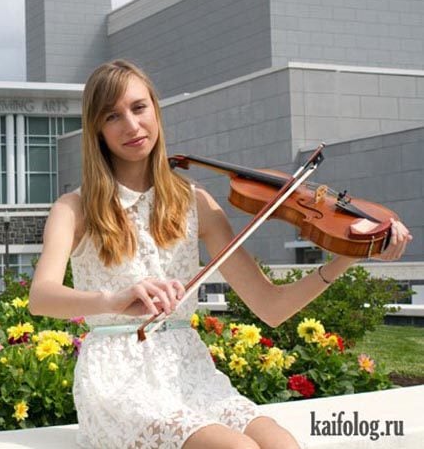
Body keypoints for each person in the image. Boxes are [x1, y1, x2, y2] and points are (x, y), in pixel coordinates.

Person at [28, 59, 412, 449]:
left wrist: (347, 254)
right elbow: (40, 297)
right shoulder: (73, 208)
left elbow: (271, 306)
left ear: (155, 111)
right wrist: (111, 300)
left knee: (283, 445)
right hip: (116, 377)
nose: (131, 125)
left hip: (187, 368)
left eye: (139, 107)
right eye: (113, 116)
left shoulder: (194, 203)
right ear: (98, 131)